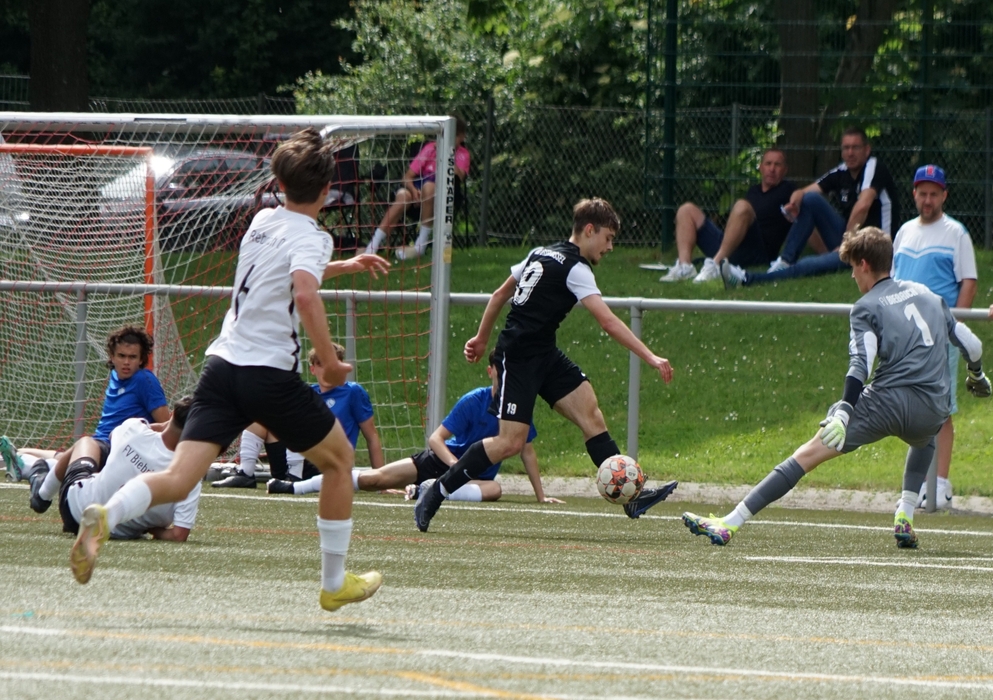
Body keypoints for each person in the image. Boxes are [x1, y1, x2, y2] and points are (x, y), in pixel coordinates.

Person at [68, 127, 392, 614]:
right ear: (327, 191)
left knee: (179, 478)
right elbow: (304, 292)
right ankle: (333, 583)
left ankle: (107, 515)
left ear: (280, 183)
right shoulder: (313, 236)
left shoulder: (262, 220)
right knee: (340, 461)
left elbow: (283, 271)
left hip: (221, 367)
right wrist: (329, 361)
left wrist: (342, 267)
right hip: (268, 375)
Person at [682, 226, 990, 549]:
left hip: (887, 404)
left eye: (853, 267)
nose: (853, 276)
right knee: (925, 440)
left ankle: (730, 522)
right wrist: (977, 376)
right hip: (933, 410)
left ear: (864, 265)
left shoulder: (866, 307)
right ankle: (905, 513)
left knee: (808, 453)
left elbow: (861, 365)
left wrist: (843, 412)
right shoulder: (928, 294)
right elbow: (972, 344)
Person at [414, 197, 677, 532]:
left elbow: (499, 295)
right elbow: (608, 321)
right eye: (608, 238)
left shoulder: (539, 252)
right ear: (589, 230)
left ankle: (632, 498)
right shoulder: (576, 268)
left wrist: (481, 338)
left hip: (544, 353)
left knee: (592, 416)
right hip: (518, 358)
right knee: (510, 442)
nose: (610, 247)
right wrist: (650, 356)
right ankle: (437, 491)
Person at [271, 350, 563, 504]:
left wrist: (541, 496)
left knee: (495, 489)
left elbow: (527, 451)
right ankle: (293, 487)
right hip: (439, 462)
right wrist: (455, 466)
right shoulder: (474, 400)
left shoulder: (518, 408)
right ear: (490, 372)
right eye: (502, 371)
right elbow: (436, 439)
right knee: (374, 480)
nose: (508, 377)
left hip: (473, 480)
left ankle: (428, 490)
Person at [892, 165, 977, 510]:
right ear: (914, 194)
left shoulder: (956, 233)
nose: (927, 200)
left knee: (941, 410)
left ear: (944, 196)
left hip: (940, 336)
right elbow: (892, 282)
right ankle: (916, 487)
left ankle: (940, 484)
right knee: (912, 410)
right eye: (922, 193)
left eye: (934, 194)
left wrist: (954, 327)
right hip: (906, 337)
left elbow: (968, 282)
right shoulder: (904, 232)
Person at [720, 127, 901, 288]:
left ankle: (746, 279)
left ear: (867, 150)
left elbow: (863, 206)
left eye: (855, 147)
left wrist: (846, 243)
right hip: (852, 240)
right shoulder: (842, 171)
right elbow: (806, 192)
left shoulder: (873, 167)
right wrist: (795, 201)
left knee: (808, 264)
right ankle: (785, 261)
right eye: (846, 148)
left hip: (874, 248)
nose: (850, 153)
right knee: (810, 200)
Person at [25, 397, 201, 542]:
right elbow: (179, 535)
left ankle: (42, 495)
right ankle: (46, 469)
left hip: (75, 509)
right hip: (116, 535)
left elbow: (111, 438)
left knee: (88, 442)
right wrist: (153, 529)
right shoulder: (190, 475)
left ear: (172, 413)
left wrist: (159, 430)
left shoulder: (134, 428)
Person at [17, 325, 170, 488]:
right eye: (121, 356)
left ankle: (33, 469)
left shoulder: (144, 380)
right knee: (64, 457)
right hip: (99, 443)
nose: (126, 362)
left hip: (119, 450)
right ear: (112, 357)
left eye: (132, 357)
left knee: (73, 462)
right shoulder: (115, 375)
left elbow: (165, 426)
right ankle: (14, 456)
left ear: (141, 359)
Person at [215, 344, 384, 489]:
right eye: (321, 364)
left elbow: (372, 437)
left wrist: (381, 482)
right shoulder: (308, 393)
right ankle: (246, 474)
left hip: (328, 463)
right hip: (295, 460)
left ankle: (294, 477)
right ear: (313, 369)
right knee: (261, 418)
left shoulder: (352, 392)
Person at [660, 148, 797, 283]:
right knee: (686, 209)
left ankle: (716, 265)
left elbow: (802, 216)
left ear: (785, 170)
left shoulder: (788, 191)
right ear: (761, 167)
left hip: (758, 252)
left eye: (777, 165)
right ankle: (684, 267)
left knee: (742, 206)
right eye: (768, 164)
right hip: (731, 246)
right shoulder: (753, 191)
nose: (772, 169)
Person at [364, 115, 470, 261]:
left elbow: (461, 176)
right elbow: (407, 177)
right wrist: (414, 191)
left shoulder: (463, 154)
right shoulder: (430, 148)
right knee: (403, 196)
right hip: (417, 188)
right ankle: (373, 245)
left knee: (429, 187)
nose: (450, 139)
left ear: (462, 137)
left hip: (443, 193)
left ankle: (421, 245)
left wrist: (448, 154)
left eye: (455, 136)